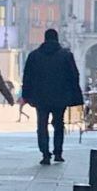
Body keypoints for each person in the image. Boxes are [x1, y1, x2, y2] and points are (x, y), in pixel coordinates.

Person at [21, 29, 83, 165]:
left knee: (42, 125)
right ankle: (58, 152)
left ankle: (45, 154)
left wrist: (26, 96)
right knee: (59, 124)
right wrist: (75, 95)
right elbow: (74, 76)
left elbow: (27, 77)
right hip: (60, 96)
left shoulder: (34, 56)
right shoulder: (66, 55)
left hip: (40, 97)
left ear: (45, 38)